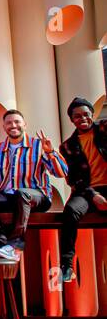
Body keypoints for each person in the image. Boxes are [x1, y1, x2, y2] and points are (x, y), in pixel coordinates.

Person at [0, 110, 67, 262]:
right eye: (9, 123)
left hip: (37, 196)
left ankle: (15, 245)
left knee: (22, 193)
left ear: (24, 125)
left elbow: (61, 172)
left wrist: (51, 153)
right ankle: (0, 246)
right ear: (4, 127)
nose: (13, 125)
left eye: (17, 122)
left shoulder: (38, 146)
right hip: (9, 197)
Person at [58, 98, 107, 284]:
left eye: (86, 114)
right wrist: (94, 196)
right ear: (72, 120)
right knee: (70, 211)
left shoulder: (104, 130)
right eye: (77, 116)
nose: (82, 118)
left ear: (92, 114)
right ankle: (67, 265)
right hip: (86, 190)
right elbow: (73, 179)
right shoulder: (68, 146)